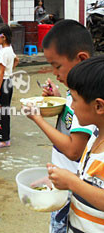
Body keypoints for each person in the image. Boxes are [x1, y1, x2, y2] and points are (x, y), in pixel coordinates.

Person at [25, 20, 95, 233]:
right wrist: (60, 98)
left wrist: (38, 119)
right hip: (64, 183)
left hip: (73, 187)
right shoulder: (74, 92)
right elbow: (70, 118)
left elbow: (74, 150)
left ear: (81, 59)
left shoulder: (87, 98)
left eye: (57, 66)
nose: (54, 72)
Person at [47, 56, 104, 233]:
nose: (71, 105)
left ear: (99, 106)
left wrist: (73, 183)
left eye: (74, 99)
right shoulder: (95, 137)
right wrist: (63, 178)